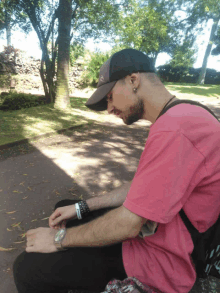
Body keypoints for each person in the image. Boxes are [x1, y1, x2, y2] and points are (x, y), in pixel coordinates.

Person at [13, 48, 220, 293]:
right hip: (161, 234)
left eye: (110, 96)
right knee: (66, 207)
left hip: (163, 261)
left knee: (27, 268)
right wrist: (82, 207)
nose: (109, 108)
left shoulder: (174, 129)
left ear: (133, 80)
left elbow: (128, 225)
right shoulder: (185, 113)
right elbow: (142, 187)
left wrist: (58, 240)